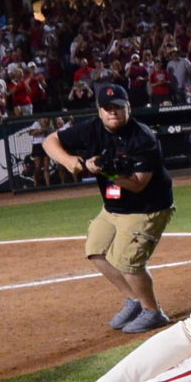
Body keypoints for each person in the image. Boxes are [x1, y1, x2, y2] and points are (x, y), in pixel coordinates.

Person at [45, 83, 176, 333]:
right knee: (96, 250)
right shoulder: (92, 129)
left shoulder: (143, 137)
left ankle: (153, 311)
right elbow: (50, 141)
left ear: (129, 108)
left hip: (146, 207)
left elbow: (138, 185)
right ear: (99, 111)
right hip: (113, 206)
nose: (112, 112)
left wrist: (104, 168)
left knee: (127, 262)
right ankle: (134, 300)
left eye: (117, 107)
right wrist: (69, 160)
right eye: (107, 108)